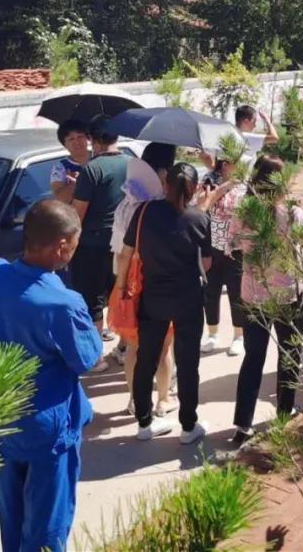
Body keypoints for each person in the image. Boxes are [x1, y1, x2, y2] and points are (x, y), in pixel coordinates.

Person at [0, 200, 102, 552]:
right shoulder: (63, 303)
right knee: (46, 529)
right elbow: (86, 359)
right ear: (61, 246)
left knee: (11, 521)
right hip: (46, 430)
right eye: (74, 245)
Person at [121, 163, 212, 443]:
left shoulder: (144, 211)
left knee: (146, 358)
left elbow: (126, 253)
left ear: (165, 185)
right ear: (195, 188)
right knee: (188, 362)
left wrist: (122, 286)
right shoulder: (199, 218)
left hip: (152, 296)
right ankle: (188, 426)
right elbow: (207, 264)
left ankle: (144, 423)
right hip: (188, 298)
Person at [231, 155, 303, 442]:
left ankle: (243, 423)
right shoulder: (292, 214)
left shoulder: (244, 212)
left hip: (253, 294)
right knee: (289, 354)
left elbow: (234, 244)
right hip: (286, 295)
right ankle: (284, 411)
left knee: (253, 357)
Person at [109, 158, 176, 418]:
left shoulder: (124, 206)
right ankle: (163, 399)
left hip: (131, 286)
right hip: (159, 286)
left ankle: (134, 400)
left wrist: (120, 287)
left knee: (134, 348)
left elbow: (119, 252)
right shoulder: (160, 210)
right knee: (163, 347)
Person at [71, 115, 130, 361]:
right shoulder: (132, 164)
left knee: (93, 301)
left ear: (93, 140)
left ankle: (96, 358)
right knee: (122, 294)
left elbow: (77, 214)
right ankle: (125, 348)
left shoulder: (92, 169)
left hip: (93, 245)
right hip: (125, 244)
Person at [199, 158, 249, 356]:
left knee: (237, 294)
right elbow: (202, 204)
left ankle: (238, 336)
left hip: (236, 249)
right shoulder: (210, 179)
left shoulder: (246, 183)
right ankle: (212, 333)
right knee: (210, 292)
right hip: (212, 247)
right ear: (225, 163)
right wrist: (227, 185)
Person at [51, 120, 91, 203]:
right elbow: (60, 200)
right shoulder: (60, 167)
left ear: (87, 138)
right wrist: (74, 184)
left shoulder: (100, 158)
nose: (77, 142)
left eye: (80, 137)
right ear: (64, 144)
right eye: (71, 139)